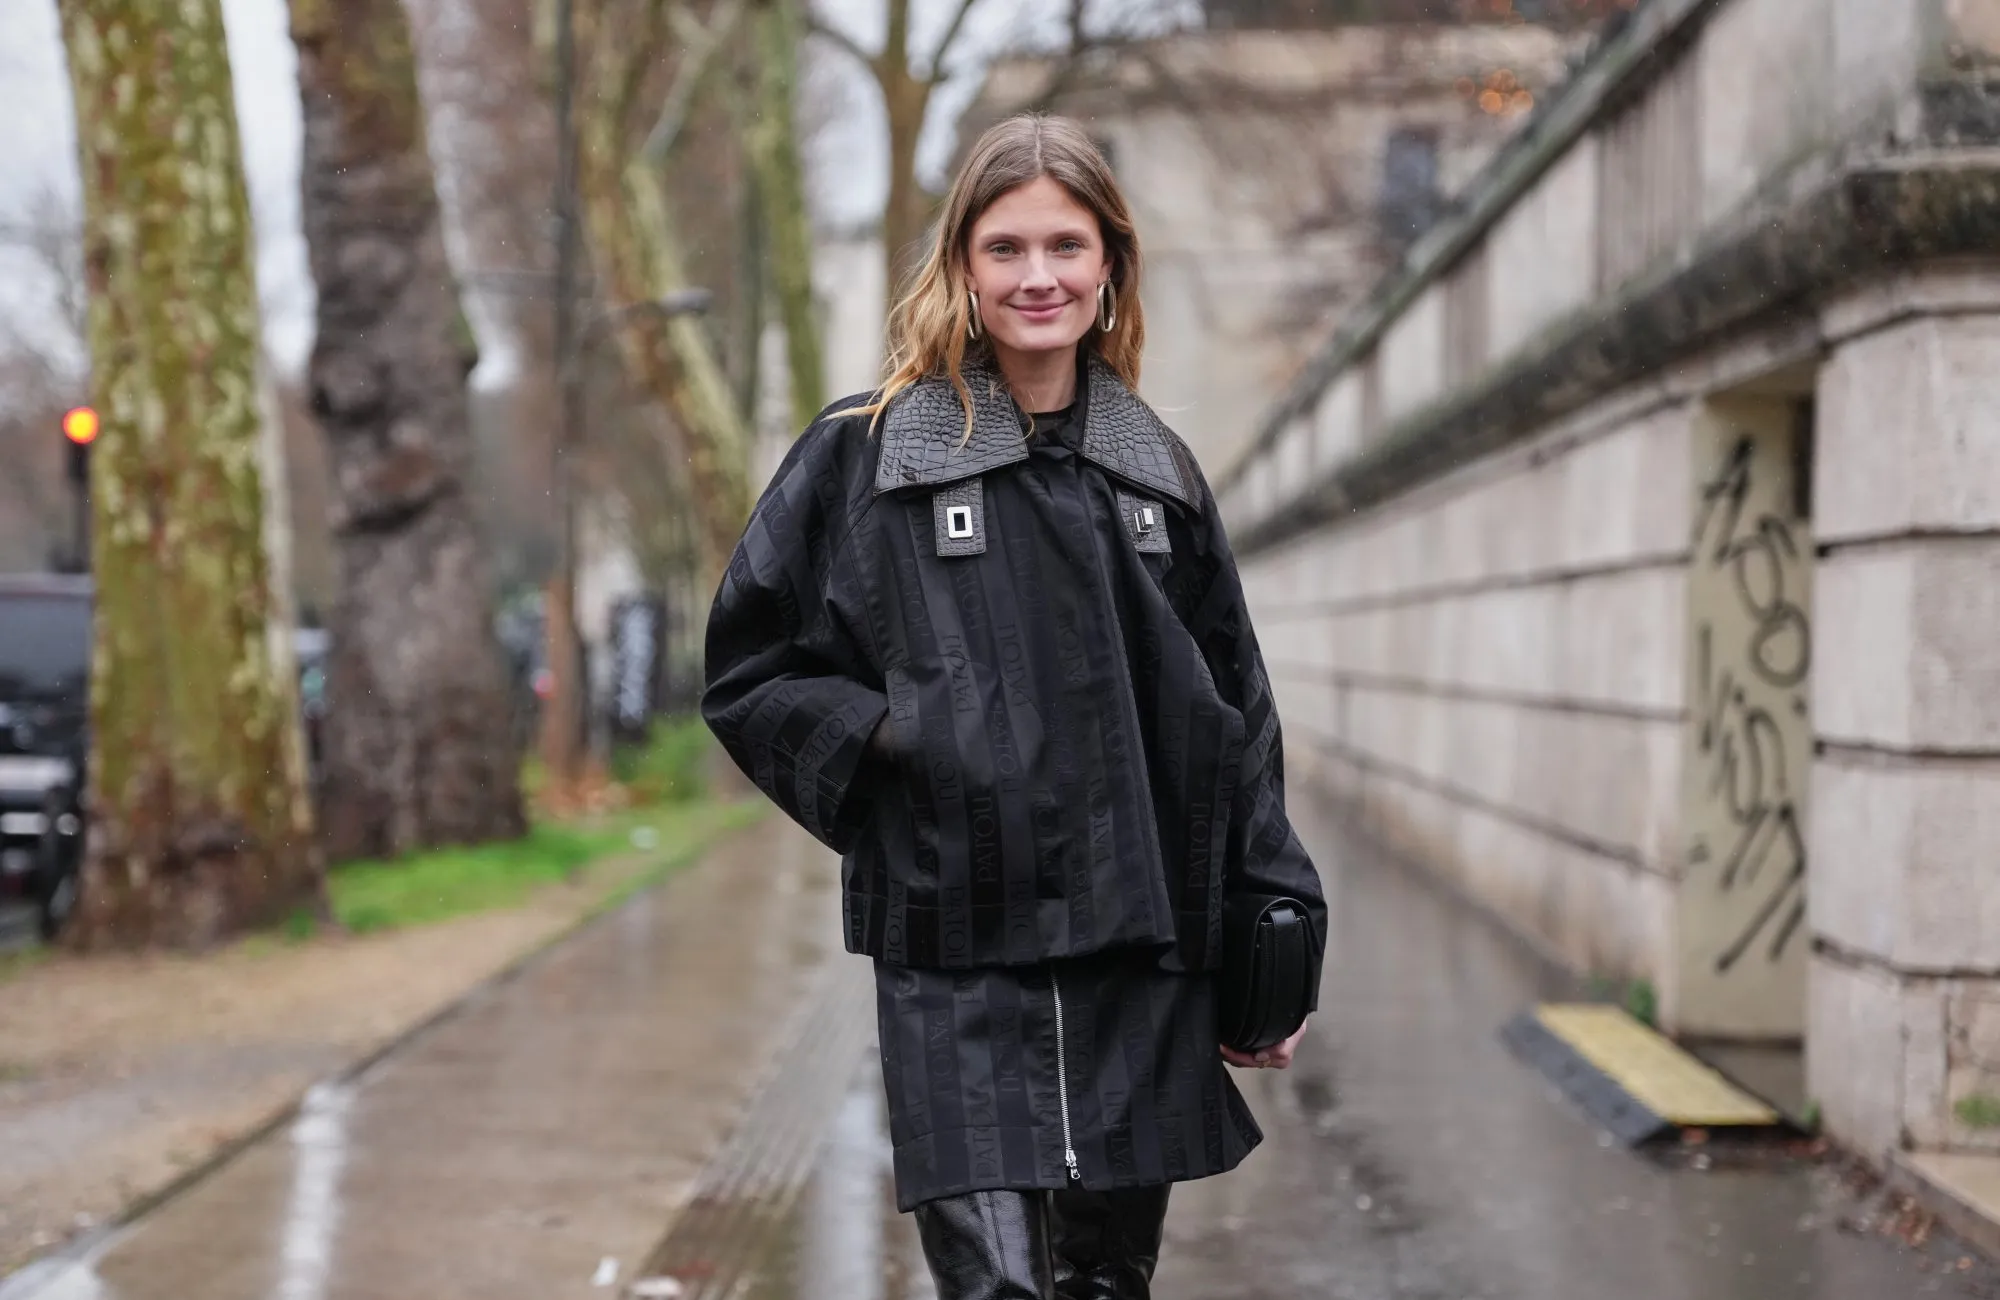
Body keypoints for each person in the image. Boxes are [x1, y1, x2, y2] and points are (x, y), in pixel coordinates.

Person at [702, 113, 1325, 1300]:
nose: (1037, 276)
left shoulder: (1155, 475)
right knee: (993, 1287)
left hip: (1136, 954)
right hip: (952, 958)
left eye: (1065, 245)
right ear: (961, 267)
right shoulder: (867, 454)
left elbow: (1234, 719)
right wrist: (902, 750)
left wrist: (1272, 929)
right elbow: (746, 671)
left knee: (1103, 1283)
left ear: (1108, 266)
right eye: (1005, 248)